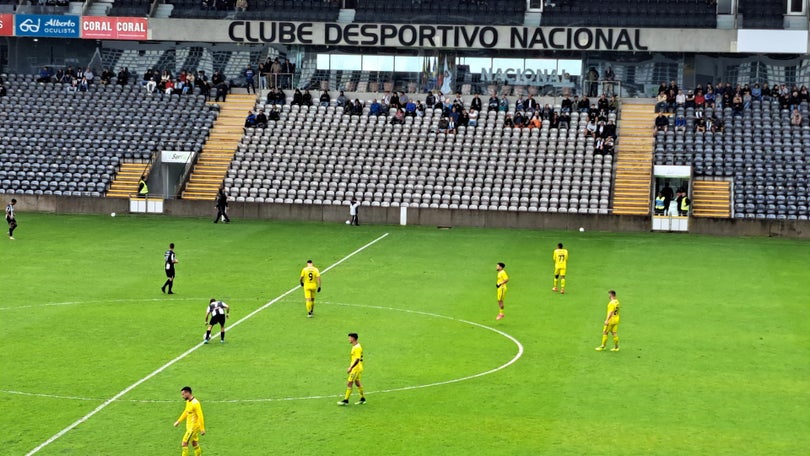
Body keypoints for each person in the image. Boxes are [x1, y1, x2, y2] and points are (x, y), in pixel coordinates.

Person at [173, 386, 206, 456]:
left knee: (184, 443)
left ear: (188, 393)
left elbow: (200, 416)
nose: (182, 396)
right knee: (194, 443)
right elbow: (186, 412)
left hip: (193, 428)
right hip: (190, 427)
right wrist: (178, 421)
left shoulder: (195, 403)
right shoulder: (188, 401)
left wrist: (202, 429)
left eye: (183, 394)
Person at [338, 332, 366, 406]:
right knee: (357, 382)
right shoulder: (356, 346)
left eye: (349, 338)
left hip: (356, 369)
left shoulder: (357, 348)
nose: (348, 339)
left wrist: (351, 367)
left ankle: (346, 400)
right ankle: (362, 399)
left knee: (349, 382)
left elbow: (357, 359)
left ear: (353, 338)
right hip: (358, 367)